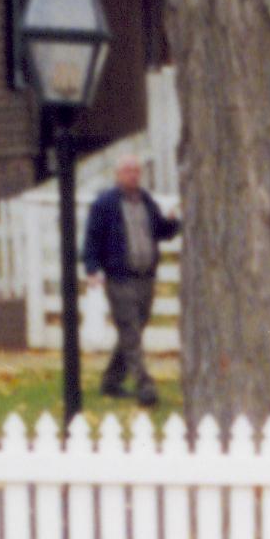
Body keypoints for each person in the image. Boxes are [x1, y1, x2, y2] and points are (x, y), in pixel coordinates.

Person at [82, 152, 180, 409]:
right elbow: (91, 238)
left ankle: (111, 382)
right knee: (130, 331)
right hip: (119, 278)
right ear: (117, 174)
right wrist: (92, 269)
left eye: (136, 171)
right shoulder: (105, 204)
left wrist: (172, 223)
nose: (133, 175)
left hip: (145, 277)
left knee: (133, 331)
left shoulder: (146, 200)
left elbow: (160, 231)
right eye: (128, 171)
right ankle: (145, 385)